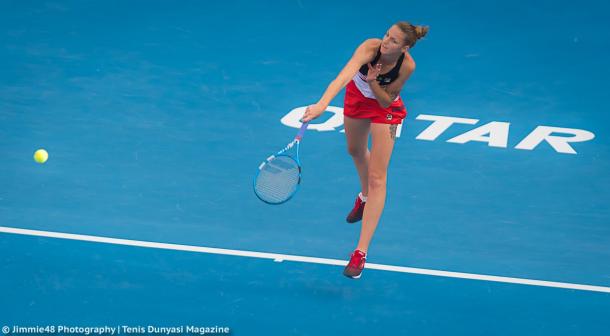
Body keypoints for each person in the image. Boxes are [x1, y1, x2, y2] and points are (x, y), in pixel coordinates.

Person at [301, 22, 428, 279]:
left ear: (404, 47)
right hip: (356, 99)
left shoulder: (407, 66)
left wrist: (373, 83)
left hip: (385, 110)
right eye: (386, 35)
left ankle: (360, 253)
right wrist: (322, 105)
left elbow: (386, 100)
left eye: (393, 41)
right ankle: (364, 197)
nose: (386, 41)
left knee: (378, 177)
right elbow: (343, 76)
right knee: (355, 151)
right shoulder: (370, 48)